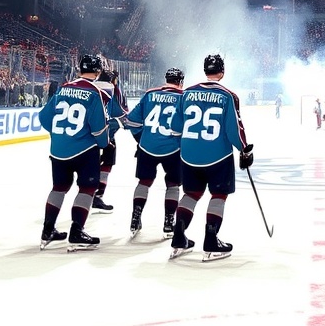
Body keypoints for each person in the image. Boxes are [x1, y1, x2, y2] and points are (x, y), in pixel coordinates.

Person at [169, 54, 252, 262]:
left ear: (205, 71)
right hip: (218, 155)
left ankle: (178, 237)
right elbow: (234, 129)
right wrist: (244, 150)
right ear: (222, 72)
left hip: (188, 155)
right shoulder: (228, 96)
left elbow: (175, 127)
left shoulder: (187, 93)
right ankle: (211, 240)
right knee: (219, 194)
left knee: (190, 194)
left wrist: (185, 145)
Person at [37, 54, 111, 251]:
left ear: (79, 69)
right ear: (98, 72)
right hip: (84, 150)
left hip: (58, 150)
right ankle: (77, 231)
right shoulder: (95, 93)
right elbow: (99, 129)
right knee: (87, 188)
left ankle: (47, 230)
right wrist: (104, 144)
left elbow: (44, 117)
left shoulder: (63, 89)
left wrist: (59, 135)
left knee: (59, 187)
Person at [123, 67, 184, 239]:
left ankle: (135, 218)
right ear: (180, 82)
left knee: (144, 182)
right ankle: (168, 222)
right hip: (172, 148)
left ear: (166, 79)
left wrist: (141, 139)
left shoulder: (150, 94)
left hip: (147, 146)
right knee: (173, 184)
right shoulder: (184, 96)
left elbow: (131, 121)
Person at [89, 60, 128, 213]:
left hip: (87, 135)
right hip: (106, 134)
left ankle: (86, 194)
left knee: (89, 165)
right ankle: (97, 195)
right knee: (107, 163)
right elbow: (121, 113)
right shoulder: (113, 90)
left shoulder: (91, 87)